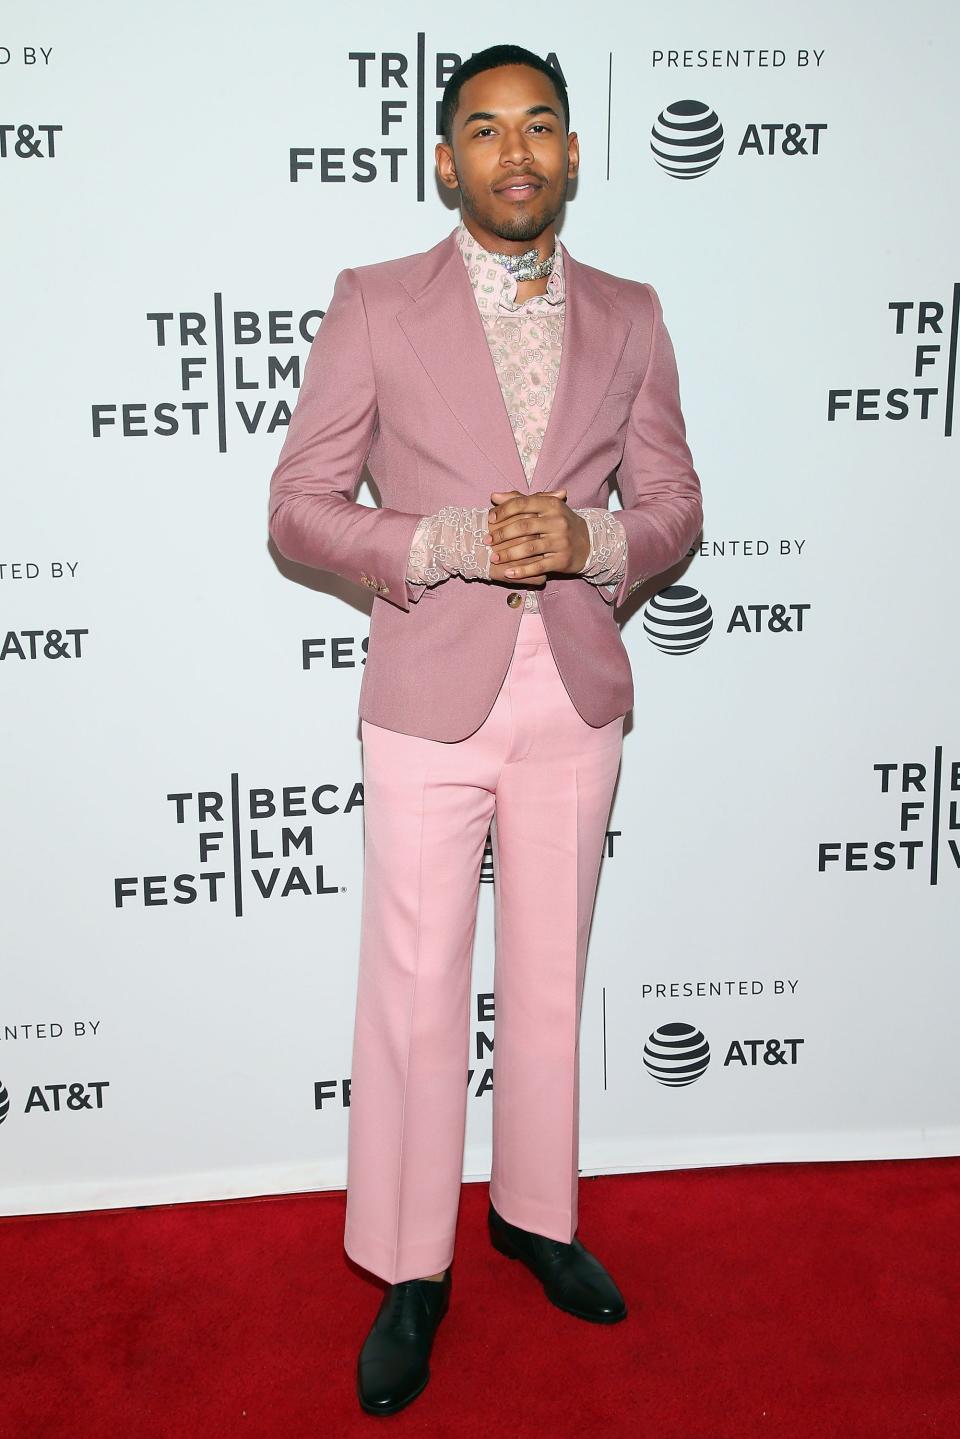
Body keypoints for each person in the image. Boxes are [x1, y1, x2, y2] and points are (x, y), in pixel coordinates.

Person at [267, 43, 703, 1417]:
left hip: (573, 689)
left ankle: (535, 1214)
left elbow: (679, 507)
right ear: (443, 159)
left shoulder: (632, 313)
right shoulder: (378, 305)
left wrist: (590, 536)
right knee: (413, 986)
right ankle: (410, 1266)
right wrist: (445, 540)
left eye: (541, 127)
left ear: (572, 154)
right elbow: (297, 505)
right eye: (484, 130)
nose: (516, 152)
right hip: (428, 696)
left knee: (553, 974)